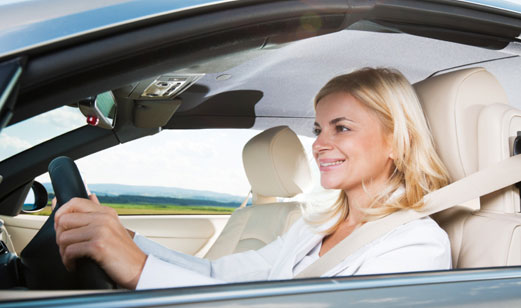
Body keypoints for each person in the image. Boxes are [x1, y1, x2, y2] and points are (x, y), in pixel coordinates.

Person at [54, 67, 452, 290]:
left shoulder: (416, 245)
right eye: (318, 130)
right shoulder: (315, 226)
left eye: (341, 128)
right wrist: (123, 240)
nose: (319, 145)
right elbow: (216, 276)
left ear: (396, 143)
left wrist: (140, 270)